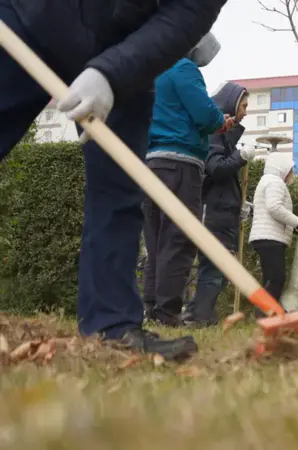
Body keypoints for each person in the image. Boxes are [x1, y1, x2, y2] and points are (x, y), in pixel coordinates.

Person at [0, 0, 227, 360]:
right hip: (28, 17)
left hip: (124, 45)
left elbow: (187, 15)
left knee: (118, 193)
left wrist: (111, 73)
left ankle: (112, 326)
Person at [142, 34, 234, 327]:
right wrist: (221, 121)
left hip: (152, 162)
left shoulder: (154, 71)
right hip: (180, 164)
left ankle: (152, 307)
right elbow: (204, 115)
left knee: (155, 238)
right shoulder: (183, 68)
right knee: (178, 238)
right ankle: (168, 311)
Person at [182, 82, 255, 327]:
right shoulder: (214, 132)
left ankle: (201, 313)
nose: (246, 111)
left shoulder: (224, 136)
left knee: (217, 271)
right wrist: (240, 157)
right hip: (213, 213)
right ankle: (197, 315)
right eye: (243, 106)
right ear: (232, 105)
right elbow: (215, 168)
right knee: (213, 268)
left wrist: (240, 205)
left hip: (221, 211)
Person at [249, 152, 298, 311]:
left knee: (271, 278)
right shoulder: (275, 182)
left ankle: (271, 313)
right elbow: (274, 208)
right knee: (276, 278)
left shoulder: (267, 181)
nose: (292, 173)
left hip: (266, 236)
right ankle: (264, 314)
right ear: (281, 168)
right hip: (270, 238)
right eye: (290, 170)